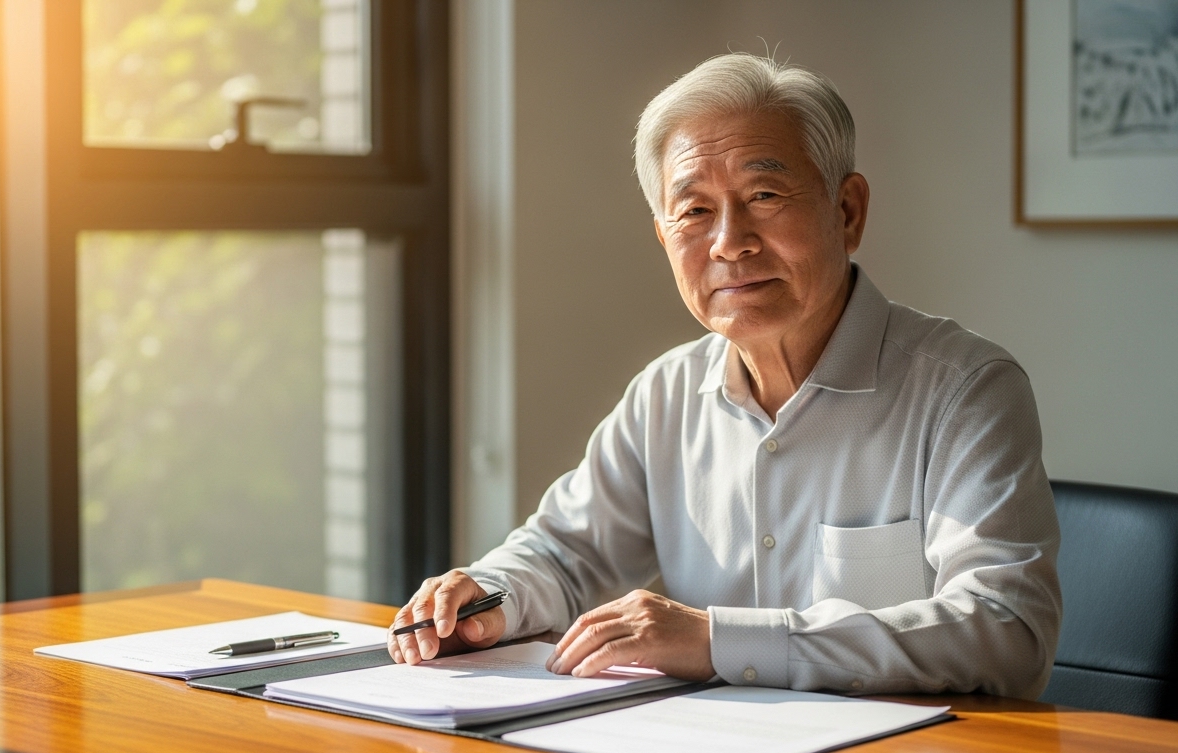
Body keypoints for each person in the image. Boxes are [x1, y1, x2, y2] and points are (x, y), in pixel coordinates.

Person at [387, 53, 1062, 698]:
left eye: (764, 194)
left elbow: (1005, 628)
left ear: (847, 211)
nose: (729, 242)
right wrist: (485, 597)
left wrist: (720, 641)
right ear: (664, 238)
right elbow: (567, 558)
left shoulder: (965, 390)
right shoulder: (666, 394)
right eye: (695, 210)